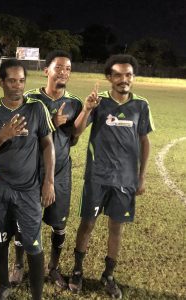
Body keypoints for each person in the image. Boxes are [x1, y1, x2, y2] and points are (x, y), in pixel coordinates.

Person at [68, 54, 154, 299]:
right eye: (118, 74)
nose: (123, 79)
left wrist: (142, 176)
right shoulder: (100, 103)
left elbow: (144, 141)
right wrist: (87, 109)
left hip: (125, 180)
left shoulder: (141, 105)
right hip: (97, 176)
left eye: (128, 75)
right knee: (87, 224)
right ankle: (77, 270)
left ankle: (108, 275)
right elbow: (76, 131)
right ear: (109, 78)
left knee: (116, 228)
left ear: (133, 78)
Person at [0, 59, 56, 299]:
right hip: (0, 186)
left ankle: (36, 296)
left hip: (29, 189)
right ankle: (3, 286)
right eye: (11, 80)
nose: (17, 86)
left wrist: (49, 181)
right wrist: (2, 135)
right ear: (1, 81)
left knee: (33, 243)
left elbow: (48, 146)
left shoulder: (36, 109)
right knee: (1, 237)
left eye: (21, 81)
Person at [9, 50, 83, 289]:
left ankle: (53, 268)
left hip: (60, 173)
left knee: (59, 224)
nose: (64, 72)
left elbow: (73, 138)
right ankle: (19, 264)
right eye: (59, 67)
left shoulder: (74, 103)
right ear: (46, 71)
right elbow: (19, 132)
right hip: (30, 173)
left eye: (68, 68)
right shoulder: (29, 98)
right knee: (23, 223)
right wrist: (48, 123)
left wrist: (73, 122)